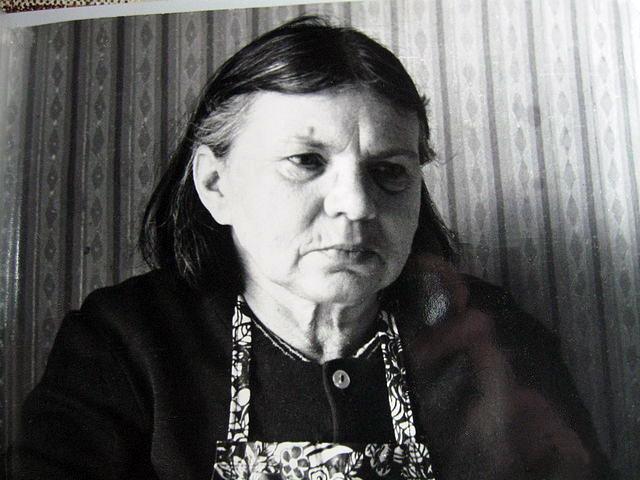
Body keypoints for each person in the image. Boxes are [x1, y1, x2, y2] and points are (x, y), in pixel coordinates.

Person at [10, 16, 611, 480]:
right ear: (216, 184)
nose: (358, 204)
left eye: (389, 171)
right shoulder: (125, 342)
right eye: (306, 160)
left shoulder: (492, 334)